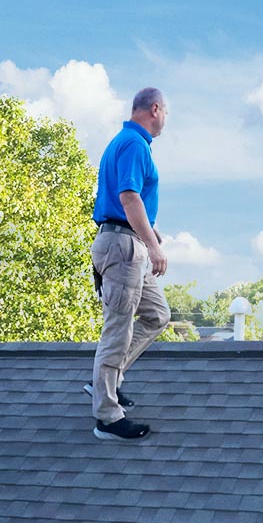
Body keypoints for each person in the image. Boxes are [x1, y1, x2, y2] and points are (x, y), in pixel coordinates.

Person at [86, 87, 171, 441]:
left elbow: (122, 200)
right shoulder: (135, 144)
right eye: (166, 112)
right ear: (155, 108)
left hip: (126, 241)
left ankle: (108, 380)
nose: (166, 119)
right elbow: (127, 196)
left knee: (157, 314)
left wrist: (149, 228)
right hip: (124, 248)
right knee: (118, 329)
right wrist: (153, 246)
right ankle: (107, 416)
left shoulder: (123, 141)